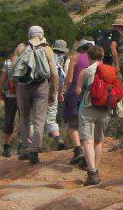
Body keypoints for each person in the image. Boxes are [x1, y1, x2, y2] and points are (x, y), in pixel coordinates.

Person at [8, 25, 60, 164]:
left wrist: (14, 83)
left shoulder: (21, 47)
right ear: (42, 35)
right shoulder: (47, 48)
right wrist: (53, 91)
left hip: (23, 87)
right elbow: (54, 73)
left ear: (29, 34)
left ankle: (25, 148)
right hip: (41, 86)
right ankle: (35, 149)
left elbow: (12, 69)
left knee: (24, 116)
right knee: (39, 119)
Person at [72, 43, 116, 185]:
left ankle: (92, 172)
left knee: (87, 140)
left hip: (88, 108)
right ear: (102, 56)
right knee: (98, 140)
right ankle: (95, 169)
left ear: (88, 56)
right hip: (105, 109)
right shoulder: (110, 70)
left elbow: (78, 91)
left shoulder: (85, 72)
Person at [63, 40, 90, 165]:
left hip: (75, 93)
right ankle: (88, 154)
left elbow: (69, 80)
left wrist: (64, 91)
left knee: (73, 124)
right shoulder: (97, 60)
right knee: (87, 125)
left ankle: (78, 150)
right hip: (90, 96)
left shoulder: (75, 58)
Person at [43, 38, 70, 150]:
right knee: (51, 117)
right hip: (54, 90)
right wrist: (61, 92)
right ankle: (59, 140)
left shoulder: (47, 56)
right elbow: (63, 78)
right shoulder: (64, 59)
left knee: (35, 118)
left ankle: (30, 144)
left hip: (40, 88)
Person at [0, 55, 19, 158]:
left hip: (10, 96)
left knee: (9, 120)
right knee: (25, 121)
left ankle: (7, 148)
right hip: (24, 96)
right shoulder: (28, 60)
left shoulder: (8, 63)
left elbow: (2, 81)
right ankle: (23, 146)